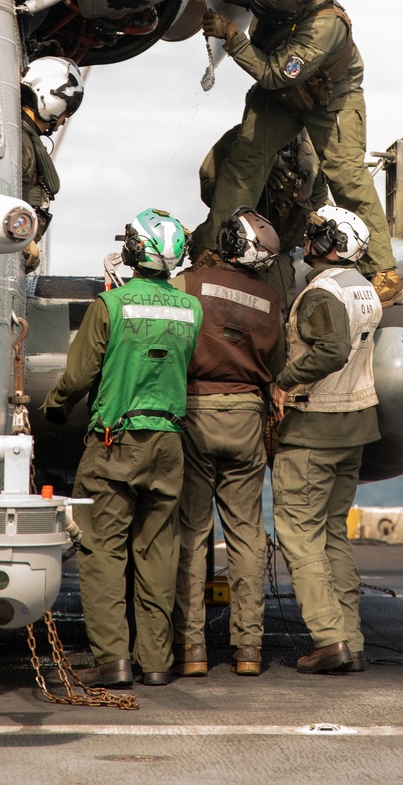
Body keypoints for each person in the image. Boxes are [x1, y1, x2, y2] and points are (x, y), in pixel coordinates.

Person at [42, 208, 203, 687]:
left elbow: (78, 376)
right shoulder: (190, 309)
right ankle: (155, 662)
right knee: (158, 550)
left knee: (103, 550)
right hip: (169, 443)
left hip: (115, 444)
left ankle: (113, 661)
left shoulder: (110, 306)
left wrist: (55, 404)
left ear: (136, 251)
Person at [194, 0, 402, 307]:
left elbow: (274, 73)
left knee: (346, 175)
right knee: (245, 159)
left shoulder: (323, 29)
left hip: (330, 100)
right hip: (284, 96)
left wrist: (233, 36)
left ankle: (384, 272)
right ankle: (213, 249)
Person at [170, 208, 286, 678]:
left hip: (197, 411)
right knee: (247, 536)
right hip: (246, 417)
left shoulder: (190, 283)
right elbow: (275, 365)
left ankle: (192, 650)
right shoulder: (272, 301)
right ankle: (249, 651)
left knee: (193, 533)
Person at [270, 205, 382, 674]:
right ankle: (351, 639)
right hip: (354, 427)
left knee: (300, 535)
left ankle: (329, 638)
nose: (306, 239)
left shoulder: (321, 293)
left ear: (330, 244)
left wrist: (283, 382)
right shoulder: (365, 289)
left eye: (315, 234)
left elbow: (331, 350)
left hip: (313, 427)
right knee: (334, 533)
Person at [200, 126, 328, 311]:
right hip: (230, 252)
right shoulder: (244, 138)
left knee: (276, 312)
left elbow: (320, 201)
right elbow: (208, 188)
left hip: (279, 255)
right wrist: (256, 179)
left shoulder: (311, 147)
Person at [19, 56, 84, 272]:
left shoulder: (25, 137)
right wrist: (22, 239)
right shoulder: (21, 140)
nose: (64, 120)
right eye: (66, 111)